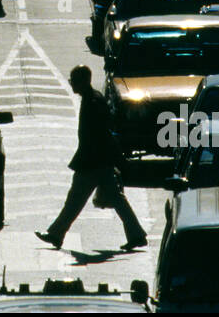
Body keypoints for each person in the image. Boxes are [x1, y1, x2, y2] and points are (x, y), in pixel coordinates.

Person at [36, 66, 148, 251]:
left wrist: (115, 159)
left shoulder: (94, 102)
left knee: (75, 200)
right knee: (116, 200)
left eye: (73, 79)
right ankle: (136, 235)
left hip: (92, 162)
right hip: (98, 161)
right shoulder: (92, 99)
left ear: (82, 81)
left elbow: (102, 134)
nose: (71, 83)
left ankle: (56, 234)